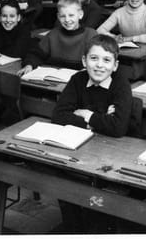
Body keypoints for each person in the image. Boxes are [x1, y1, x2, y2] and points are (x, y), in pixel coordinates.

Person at [52, 34, 134, 233]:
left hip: (113, 153)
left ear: (115, 65)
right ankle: (75, 227)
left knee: (97, 198)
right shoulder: (77, 79)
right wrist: (99, 119)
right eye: (94, 58)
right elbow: (58, 115)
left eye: (106, 60)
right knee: (64, 181)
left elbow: (118, 128)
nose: (99, 65)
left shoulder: (121, 84)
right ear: (84, 61)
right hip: (82, 148)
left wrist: (86, 114)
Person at [31, 0, 98, 71]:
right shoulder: (53, 34)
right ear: (58, 17)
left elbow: (97, 60)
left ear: (80, 14)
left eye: (71, 15)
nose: (67, 20)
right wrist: (30, 65)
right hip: (53, 75)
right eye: (63, 16)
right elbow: (36, 54)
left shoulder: (91, 35)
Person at [0, 0, 41, 70]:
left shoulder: (24, 32)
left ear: (18, 18)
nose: (8, 20)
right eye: (4, 16)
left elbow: (33, 53)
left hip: (16, 68)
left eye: (12, 16)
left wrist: (29, 65)